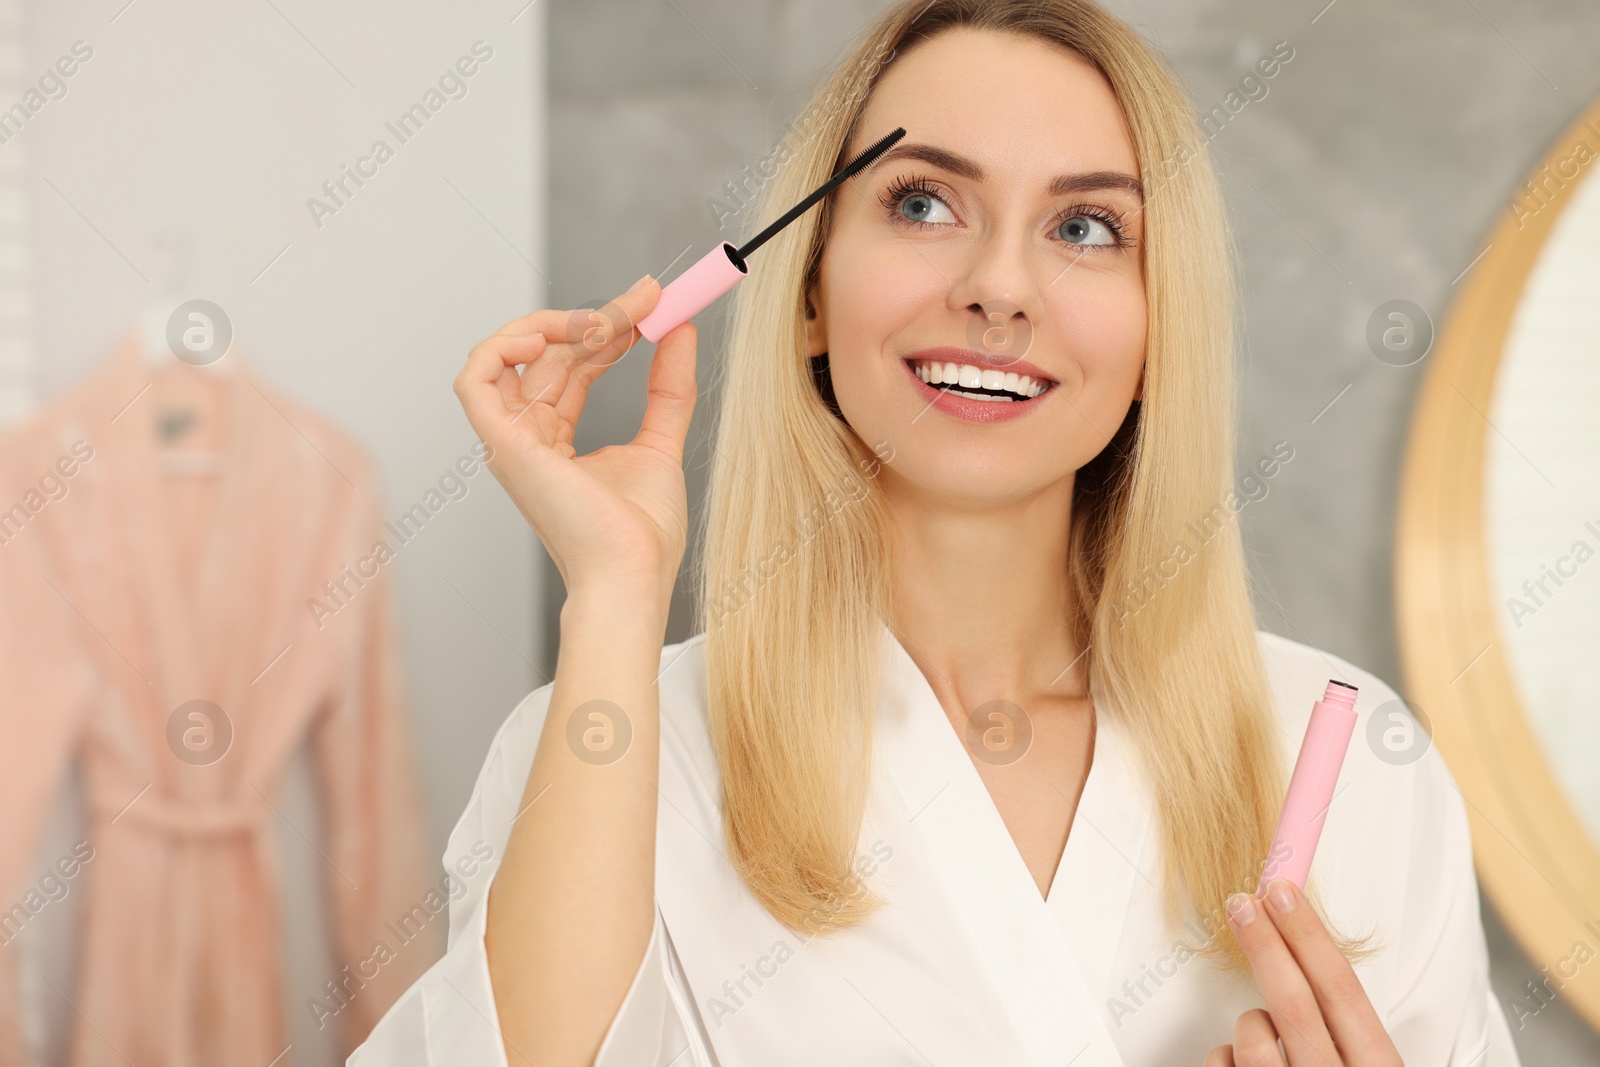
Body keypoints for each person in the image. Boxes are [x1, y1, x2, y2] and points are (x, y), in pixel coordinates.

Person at [350, 1, 1521, 1063]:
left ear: (1162, 327)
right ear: (808, 290)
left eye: (1088, 229)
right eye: (922, 202)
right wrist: (612, 588)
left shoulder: (1354, 766)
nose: (999, 286)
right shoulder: (613, 748)